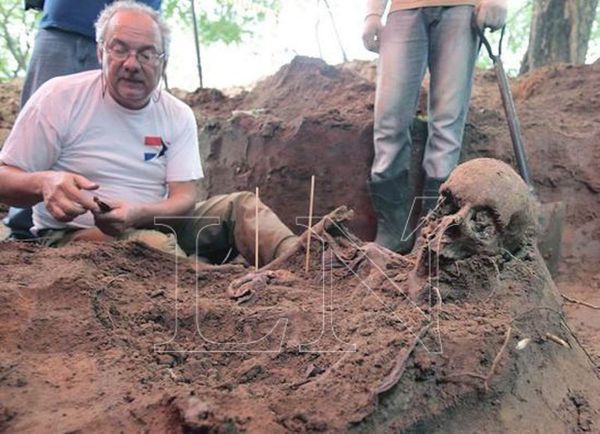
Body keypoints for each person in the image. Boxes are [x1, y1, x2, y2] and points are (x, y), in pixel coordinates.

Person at [0, 0, 296, 267]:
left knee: (241, 207)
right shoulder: (59, 97)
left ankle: (303, 263)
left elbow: (184, 197)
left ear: (162, 62)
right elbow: (5, 177)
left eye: (146, 54)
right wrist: (45, 182)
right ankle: (213, 291)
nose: (132, 64)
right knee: (152, 246)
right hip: (72, 235)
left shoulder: (177, 114)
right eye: (120, 49)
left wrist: (137, 213)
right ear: (100, 51)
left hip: (153, 224)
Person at [5, 0, 162, 240]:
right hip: (66, 19)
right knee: (38, 132)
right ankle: (25, 229)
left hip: (137, 20)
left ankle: (123, 225)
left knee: (118, 131)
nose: (130, 64)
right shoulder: (56, 92)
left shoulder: (175, 113)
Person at [361, 0, 507, 253]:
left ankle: (432, 231)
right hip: (403, 10)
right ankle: (393, 231)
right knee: (389, 121)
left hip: (461, 8)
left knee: (447, 123)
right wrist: (372, 12)